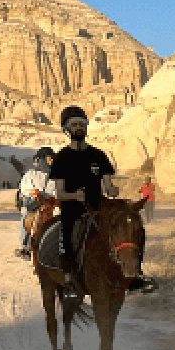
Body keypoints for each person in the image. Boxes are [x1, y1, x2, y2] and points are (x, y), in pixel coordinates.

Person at [50, 105, 119, 302]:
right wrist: (74, 196)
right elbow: (60, 193)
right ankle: (70, 280)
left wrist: (112, 190)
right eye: (74, 124)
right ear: (67, 129)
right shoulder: (61, 158)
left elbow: (108, 185)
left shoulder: (99, 155)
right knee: (67, 239)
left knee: (126, 228)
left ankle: (134, 274)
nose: (79, 127)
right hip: (72, 210)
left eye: (82, 124)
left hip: (97, 209)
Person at [17, 146, 56, 256]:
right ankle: (24, 246)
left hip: (50, 204)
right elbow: (24, 189)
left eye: (53, 158)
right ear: (42, 159)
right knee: (26, 216)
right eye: (49, 158)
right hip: (33, 202)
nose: (52, 160)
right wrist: (34, 193)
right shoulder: (30, 174)